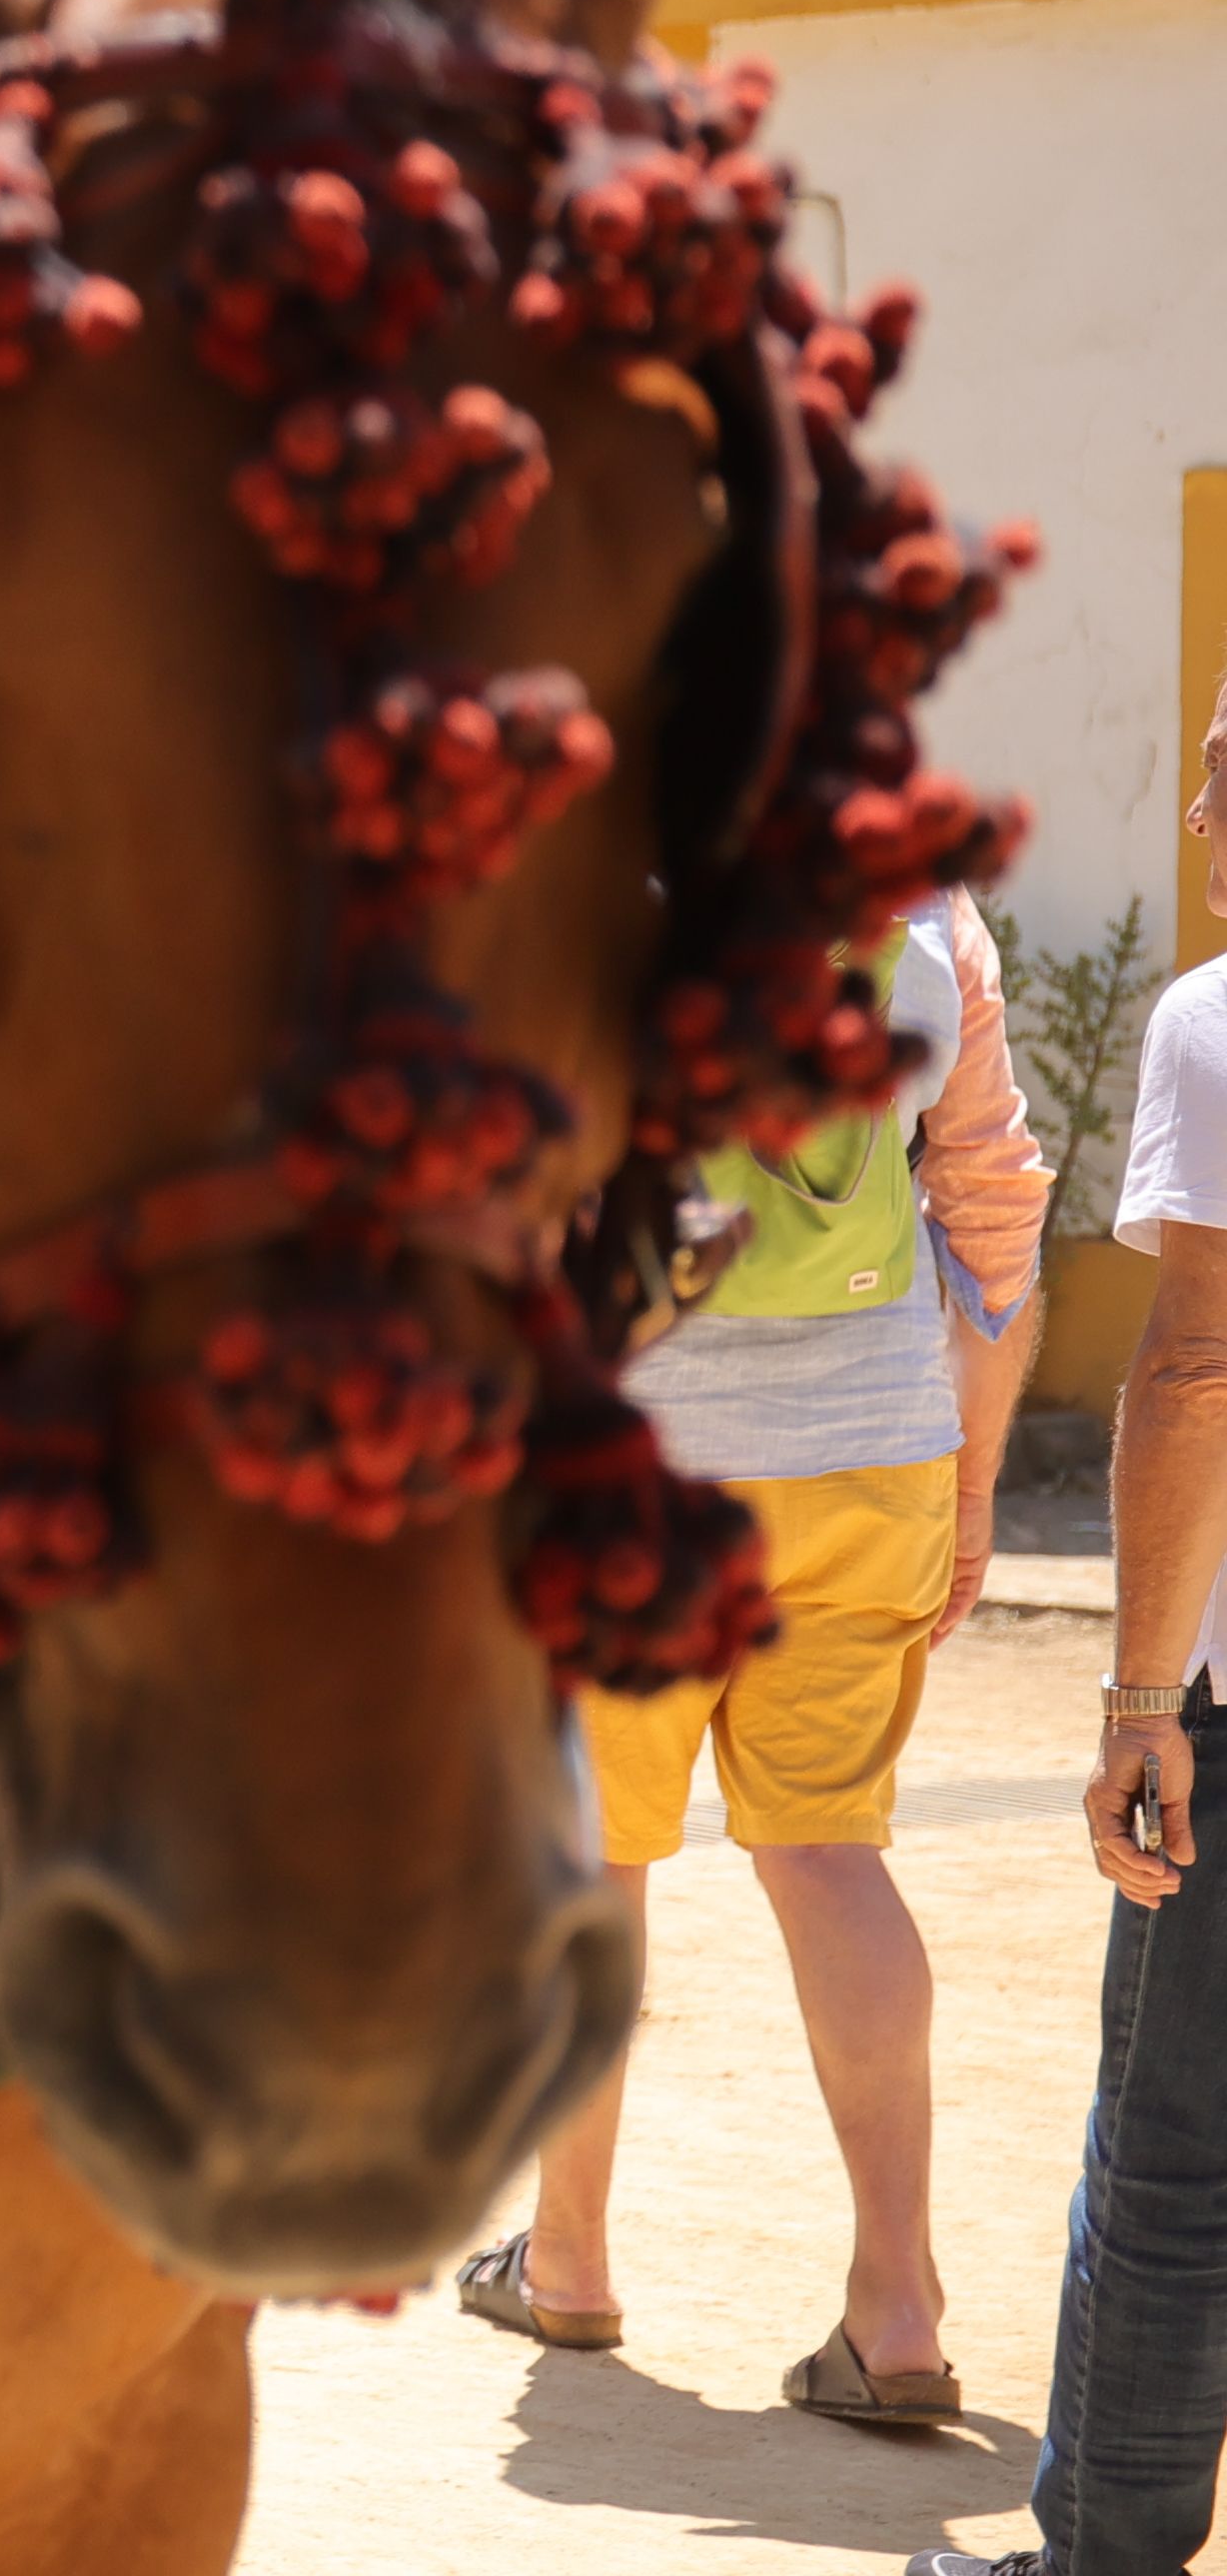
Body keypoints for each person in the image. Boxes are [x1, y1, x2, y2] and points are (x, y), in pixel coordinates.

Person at [468, 886, 1047, 2420]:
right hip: (875, 1451)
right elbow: (993, 1205)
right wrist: (972, 1475)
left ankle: (570, 2262)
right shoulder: (932, 915)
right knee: (826, 1849)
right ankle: (899, 2309)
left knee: (596, 1856)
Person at [919, 668, 1227, 2576]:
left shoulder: (1211, 1023)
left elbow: (1194, 1366)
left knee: (1175, 2141)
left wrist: (1136, 1698)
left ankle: (1104, 2553)